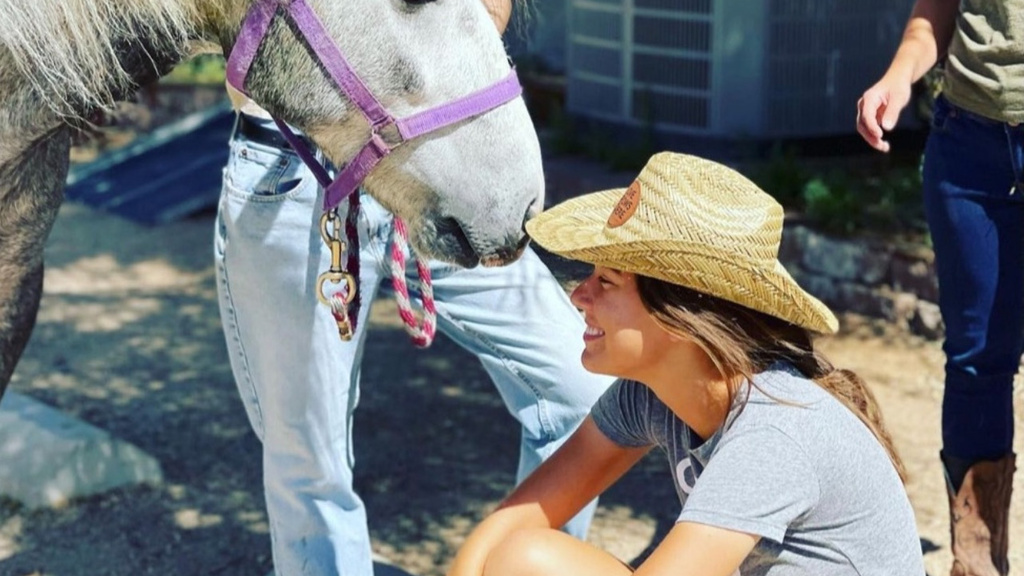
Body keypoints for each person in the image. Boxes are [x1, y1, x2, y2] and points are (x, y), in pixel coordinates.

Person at [213, 1, 613, 574]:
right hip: (294, 168)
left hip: (429, 155)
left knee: (581, 384)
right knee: (310, 461)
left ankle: (520, 562)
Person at [447, 152, 925, 576]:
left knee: (530, 560)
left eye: (607, 282)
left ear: (678, 317)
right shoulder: (650, 395)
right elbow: (510, 523)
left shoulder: (772, 433)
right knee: (518, 555)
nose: (579, 296)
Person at [856, 1, 1020, 573]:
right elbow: (936, 12)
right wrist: (899, 76)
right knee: (977, 360)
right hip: (968, 145)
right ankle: (976, 561)